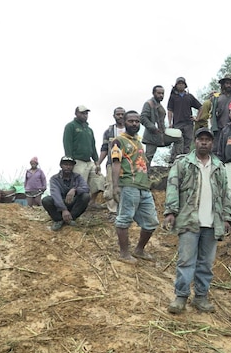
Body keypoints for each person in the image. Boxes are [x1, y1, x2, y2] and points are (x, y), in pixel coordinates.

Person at [164, 127, 230, 314]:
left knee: (206, 263)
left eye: (207, 140)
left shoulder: (219, 166)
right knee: (186, 261)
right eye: (200, 139)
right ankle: (181, 297)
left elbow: (226, 194)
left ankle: (201, 296)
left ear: (212, 143)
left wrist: (226, 218)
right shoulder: (184, 163)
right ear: (195, 141)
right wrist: (171, 211)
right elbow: (172, 186)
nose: (204, 142)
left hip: (212, 222)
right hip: (189, 220)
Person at [110, 111, 159, 264]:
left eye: (137, 121)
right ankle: (124, 253)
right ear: (124, 122)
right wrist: (115, 185)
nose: (134, 124)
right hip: (128, 185)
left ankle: (139, 250)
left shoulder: (139, 142)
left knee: (151, 222)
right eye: (131, 121)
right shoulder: (118, 141)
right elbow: (116, 163)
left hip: (143, 186)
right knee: (124, 219)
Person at [62, 105, 105, 201]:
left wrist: (97, 162)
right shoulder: (71, 126)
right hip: (77, 160)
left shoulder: (89, 130)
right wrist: (70, 161)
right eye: (82, 113)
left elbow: (93, 146)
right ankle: (77, 204)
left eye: (86, 113)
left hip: (89, 161)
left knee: (98, 179)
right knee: (79, 184)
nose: (85, 115)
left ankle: (92, 202)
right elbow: (67, 143)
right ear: (76, 113)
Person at [42, 156, 91, 231]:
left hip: (72, 203)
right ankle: (58, 220)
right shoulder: (54, 179)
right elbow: (55, 194)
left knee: (86, 196)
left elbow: (86, 188)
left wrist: (75, 190)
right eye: (65, 164)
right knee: (46, 200)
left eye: (70, 165)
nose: (68, 167)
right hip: (59, 205)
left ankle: (71, 218)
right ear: (61, 165)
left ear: (73, 166)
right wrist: (63, 209)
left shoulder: (78, 177)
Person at [98, 107, 126, 215]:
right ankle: (113, 211)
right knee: (111, 185)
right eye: (118, 114)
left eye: (122, 114)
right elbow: (104, 148)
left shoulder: (130, 130)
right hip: (112, 162)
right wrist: (98, 163)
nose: (120, 116)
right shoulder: (109, 131)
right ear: (114, 116)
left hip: (127, 164)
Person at [167, 77, 202, 162]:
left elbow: (200, 107)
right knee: (177, 142)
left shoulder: (189, 96)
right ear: (176, 85)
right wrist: (170, 122)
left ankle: (185, 161)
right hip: (177, 123)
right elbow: (170, 110)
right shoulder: (173, 97)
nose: (181, 85)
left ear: (185, 85)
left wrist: (197, 118)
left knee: (187, 143)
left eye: (182, 83)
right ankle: (173, 161)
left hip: (188, 124)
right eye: (179, 83)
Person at [202, 73, 231, 147]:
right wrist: (213, 127)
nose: (229, 85)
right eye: (227, 83)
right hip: (219, 129)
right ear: (223, 84)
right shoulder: (217, 97)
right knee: (217, 150)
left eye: (230, 83)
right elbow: (212, 114)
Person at [141, 85, 167, 167]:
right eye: (159, 93)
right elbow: (143, 118)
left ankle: (173, 161)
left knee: (179, 139)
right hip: (151, 135)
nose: (161, 95)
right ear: (153, 93)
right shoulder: (149, 103)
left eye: (162, 93)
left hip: (162, 134)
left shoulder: (159, 105)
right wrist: (153, 128)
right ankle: (144, 175)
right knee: (148, 157)